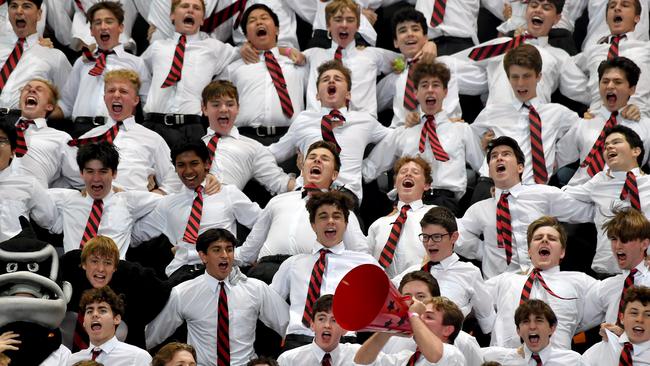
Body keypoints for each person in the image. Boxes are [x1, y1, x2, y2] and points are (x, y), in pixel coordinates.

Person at [146, 228, 290, 366]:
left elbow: (289, 326)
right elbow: (153, 335)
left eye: (229, 249)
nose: (225, 255)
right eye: (217, 250)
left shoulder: (256, 288)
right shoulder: (183, 292)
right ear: (203, 256)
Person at [456, 136, 593, 278]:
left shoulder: (542, 194)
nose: (499, 158)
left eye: (506, 154)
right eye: (494, 156)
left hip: (540, 284)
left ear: (520, 167)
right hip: (497, 289)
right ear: (489, 171)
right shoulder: (479, 210)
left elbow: (587, 212)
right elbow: (456, 234)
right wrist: (484, 252)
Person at [235, 141, 368, 284]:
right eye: (312, 157)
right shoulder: (277, 201)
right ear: (303, 168)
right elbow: (248, 251)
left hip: (311, 275)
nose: (317, 160)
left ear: (334, 174)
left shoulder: (341, 210)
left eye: (325, 158)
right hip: (266, 272)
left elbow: (360, 254)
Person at [132, 140, 261, 285]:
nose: (188, 171)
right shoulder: (167, 204)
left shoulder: (228, 193)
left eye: (194, 163)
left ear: (206, 164)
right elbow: (135, 235)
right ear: (174, 168)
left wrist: (246, 253)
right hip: (182, 274)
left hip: (222, 269)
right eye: (181, 165)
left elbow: (262, 221)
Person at [363, 61, 484, 212]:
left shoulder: (461, 130)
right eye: (424, 85)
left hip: (445, 203)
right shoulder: (403, 132)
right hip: (406, 202)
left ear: (445, 92)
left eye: (436, 85)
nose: (430, 90)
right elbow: (370, 168)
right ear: (415, 92)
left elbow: (484, 167)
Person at [269, 60, 389, 204]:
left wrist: (369, 167)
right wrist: (284, 182)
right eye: (325, 79)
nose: (331, 81)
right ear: (317, 95)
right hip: (306, 192)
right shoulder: (303, 119)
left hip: (344, 194)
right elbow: (273, 153)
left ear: (349, 94)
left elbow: (396, 138)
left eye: (337, 79)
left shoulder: (365, 120)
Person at [270, 191, 378, 349]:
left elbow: (388, 298)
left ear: (346, 224)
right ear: (313, 225)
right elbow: (270, 304)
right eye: (323, 216)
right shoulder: (293, 263)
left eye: (337, 216)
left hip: (344, 343)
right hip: (298, 342)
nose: (330, 221)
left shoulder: (365, 263)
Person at [471, 44, 580, 186]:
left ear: (539, 76)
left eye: (526, 76)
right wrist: (484, 150)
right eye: (515, 77)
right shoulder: (491, 112)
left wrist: (558, 159)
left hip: (535, 192)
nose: (520, 83)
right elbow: (470, 140)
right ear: (508, 78)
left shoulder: (557, 114)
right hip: (492, 187)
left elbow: (582, 132)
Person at [486, 216, 598, 349]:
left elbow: (615, 296)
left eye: (552, 238)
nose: (544, 240)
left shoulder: (580, 281)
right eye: (538, 238)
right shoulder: (505, 280)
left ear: (562, 252)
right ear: (529, 251)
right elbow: (470, 293)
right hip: (506, 360)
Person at [69, 69, 182, 194]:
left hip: (135, 204)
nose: (116, 95)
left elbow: (172, 175)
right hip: (95, 200)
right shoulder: (88, 138)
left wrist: (159, 193)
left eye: (123, 91)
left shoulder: (153, 139)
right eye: (111, 91)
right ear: (105, 98)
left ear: (136, 100)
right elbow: (72, 175)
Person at [142, 0, 238, 146]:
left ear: (202, 19)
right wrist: (146, 100)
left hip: (191, 126)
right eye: (185, 6)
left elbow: (243, 53)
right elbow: (139, 72)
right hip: (154, 125)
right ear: (172, 15)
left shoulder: (213, 48)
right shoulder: (157, 47)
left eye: (197, 8)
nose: (190, 11)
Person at [47, 141, 160, 257]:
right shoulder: (67, 199)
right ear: (81, 173)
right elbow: (31, 191)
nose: (96, 179)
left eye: (103, 172)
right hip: (73, 271)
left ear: (114, 173)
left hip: (115, 273)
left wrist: (138, 232)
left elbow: (169, 204)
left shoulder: (128, 201)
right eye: (90, 171)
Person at [393, 206, 495, 334]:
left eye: (436, 237)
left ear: (454, 237)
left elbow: (488, 324)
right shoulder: (412, 272)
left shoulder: (469, 273)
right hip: (408, 344)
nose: (429, 243)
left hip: (447, 346)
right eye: (425, 237)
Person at [377, 7, 486, 127]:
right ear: (395, 42)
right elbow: (371, 103)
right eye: (403, 31)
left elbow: (484, 81)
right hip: (405, 139)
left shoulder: (447, 65)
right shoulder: (394, 78)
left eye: (415, 29)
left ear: (426, 38)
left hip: (446, 134)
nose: (409, 34)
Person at [564, 126, 650, 274]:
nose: (609, 146)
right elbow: (564, 196)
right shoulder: (598, 182)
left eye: (616, 142)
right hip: (608, 273)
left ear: (636, 151)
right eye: (605, 146)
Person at [60, 236, 171, 350]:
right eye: (94, 261)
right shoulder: (66, 274)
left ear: (115, 268)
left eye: (108, 263)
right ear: (83, 264)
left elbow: (163, 290)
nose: (101, 268)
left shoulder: (134, 283)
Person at [60, 1, 150, 137]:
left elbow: (146, 105)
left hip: (118, 130)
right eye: (97, 22)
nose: (103, 27)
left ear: (121, 27)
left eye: (109, 21)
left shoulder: (136, 63)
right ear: (91, 30)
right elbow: (66, 104)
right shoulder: (82, 62)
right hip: (82, 129)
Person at [557, 57, 650, 187]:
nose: (610, 86)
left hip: (623, 193)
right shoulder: (585, 123)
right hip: (580, 191)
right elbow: (557, 159)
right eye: (605, 81)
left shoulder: (644, 126)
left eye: (617, 82)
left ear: (632, 89)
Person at [301, 0, 400, 118]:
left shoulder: (371, 55)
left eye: (350, 20)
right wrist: (286, 51)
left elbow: (407, 60)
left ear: (358, 25)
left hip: (361, 126)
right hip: (318, 126)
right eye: (338, 20)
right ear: (328, 25)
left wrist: (426, 46)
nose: (344, 24)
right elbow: (278, 58)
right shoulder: (313, 55)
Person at [226, 3, 306, 143]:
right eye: (252, 21)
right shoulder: (233, 69)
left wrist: (286, 50)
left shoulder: (299, 64)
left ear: (276, 30)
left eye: (264, 17)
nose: (259, 22)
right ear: (246, 35)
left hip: (291, 139)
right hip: (246, 139)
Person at [199, 80, 294, 195]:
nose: (224, 109)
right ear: (204, 109)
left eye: (230, 104)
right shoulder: (192, 146)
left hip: (226, 206)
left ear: (238, 108)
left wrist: (312, 183)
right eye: (216, 104)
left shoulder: (254, 148)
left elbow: (281, 183)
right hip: (188, 207)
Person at [563, 0, 650, 117]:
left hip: (637, 118)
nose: (617, 8)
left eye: (625, 5)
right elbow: (566, 69)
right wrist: (594, 95)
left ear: (637, 18)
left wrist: (644, 106)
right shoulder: (594, 50)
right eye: (612, 6)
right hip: (598, 117)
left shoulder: (646, 49)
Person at [382, 270, 485, 366]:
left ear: (435, 299)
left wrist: (414, 316)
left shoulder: (464, 341)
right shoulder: (391, 337)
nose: (414, 302)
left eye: (420, 296)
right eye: (407, 297)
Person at [366, 157, 435, 277]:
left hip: (421, 284)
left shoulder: (435, 214)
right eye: (403, 172)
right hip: (384, 289)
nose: (408, 174)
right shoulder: (378, 224)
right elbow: (365, 259)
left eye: (415, 172)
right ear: (395, 183)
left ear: (427, 185)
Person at [0, 0, 70, 114]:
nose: (19, 11)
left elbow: (68, 103)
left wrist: (41, 117)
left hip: (26, 123)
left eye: (26, 6)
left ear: (39, 14)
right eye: (13, 6)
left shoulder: (55, 57)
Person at [583, 209, 650, 328]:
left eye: (625, 239)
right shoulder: (607, 287)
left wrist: (624, 334)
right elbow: (573, 320)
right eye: (614, 239)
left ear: (644, 244)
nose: (618, 246)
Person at [11, 79, 81, 189]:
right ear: (20, 102)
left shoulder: (62, 138)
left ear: (49, 106)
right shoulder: (4, 131)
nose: (32, 90)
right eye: (27, 89)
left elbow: (80, 178)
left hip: (33, 201)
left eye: (39, 89)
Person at [353, 296, 466, 365]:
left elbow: (436, 355)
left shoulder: (453, 355)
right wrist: (387, 331)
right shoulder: (406, 358)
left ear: (447, 330)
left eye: (429, 317)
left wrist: (414, 315)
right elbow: (362, 361)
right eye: (420, 315)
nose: (419, 319)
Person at [482, 299, 587, 365]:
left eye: (539, 320)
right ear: (518, 330)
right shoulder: (498, 358)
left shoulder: (573, 361)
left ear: (552, 328)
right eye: (526, 321)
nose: (532, 327)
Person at [0, 119, 56, 242]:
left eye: (1, 140)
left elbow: (49, 219)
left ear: (13, 152)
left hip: (14, 256)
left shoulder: (28, 184)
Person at [67, 286, 152, 365]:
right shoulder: (72, 360)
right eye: (89, 311)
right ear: (84, 322)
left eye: (102, 310)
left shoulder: (138, 357)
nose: (95, 314)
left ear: (116, 319)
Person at [277, 294, 360, 365]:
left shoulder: (358, 355)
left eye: (334, 320)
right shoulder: (288, 360)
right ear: (312, 324)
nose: (327, 325)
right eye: (321, 319)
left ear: (344, 329)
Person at [583, 285, 650, 365]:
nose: (640, 319)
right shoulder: (602, 348)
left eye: (648, 315)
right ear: (622, 318)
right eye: (634, 313)